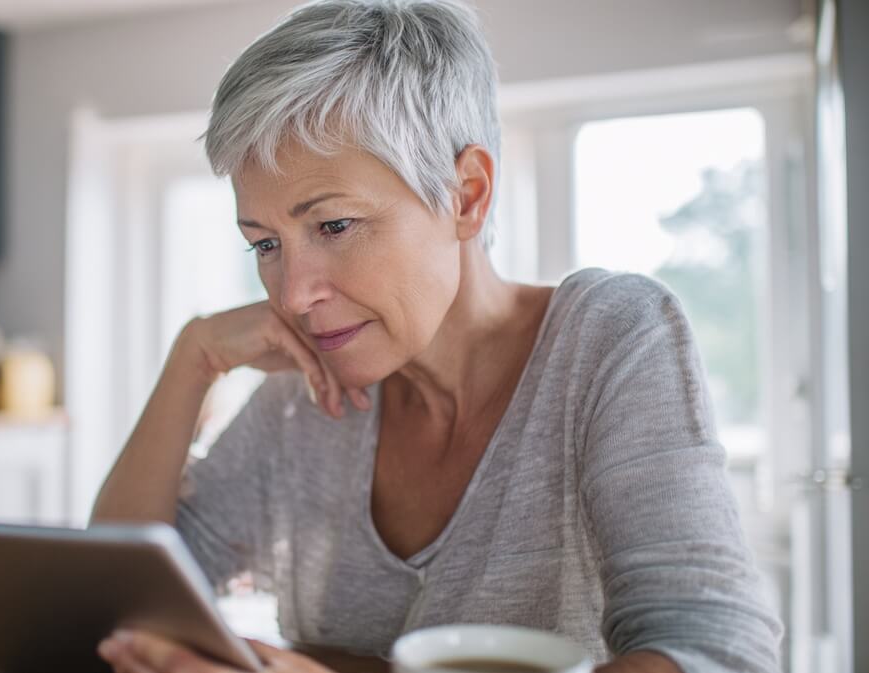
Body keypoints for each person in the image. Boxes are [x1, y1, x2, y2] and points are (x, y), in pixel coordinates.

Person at [91, 1, 783, 671]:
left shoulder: (606, 340)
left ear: (467, 194)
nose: (295, 295)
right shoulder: (304, 394)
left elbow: (715, 650)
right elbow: (119, 605)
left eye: (334, 226)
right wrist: (195, 357)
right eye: (265, 244)